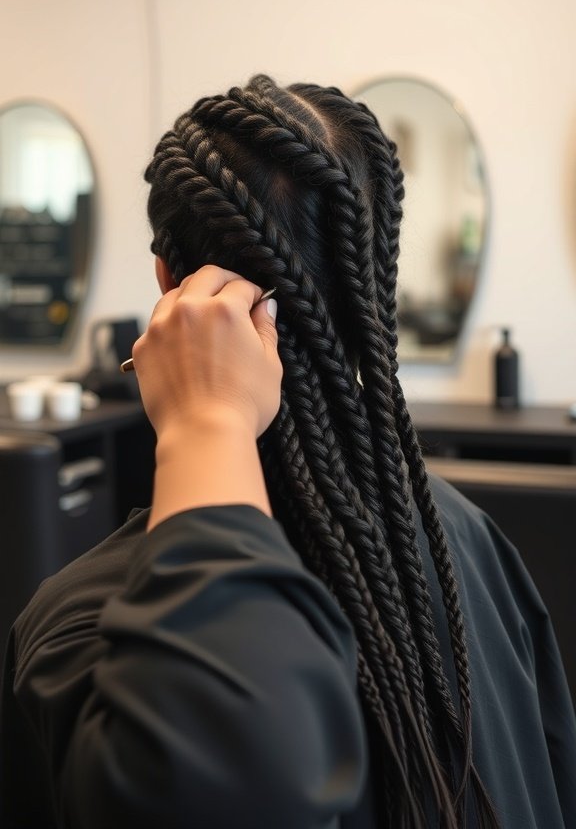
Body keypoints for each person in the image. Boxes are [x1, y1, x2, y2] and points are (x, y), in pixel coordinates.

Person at [1, 75, 575, 829]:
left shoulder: (87, 627)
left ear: (170, 289)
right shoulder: (462, 536)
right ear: (371, 280)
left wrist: (208, 421)